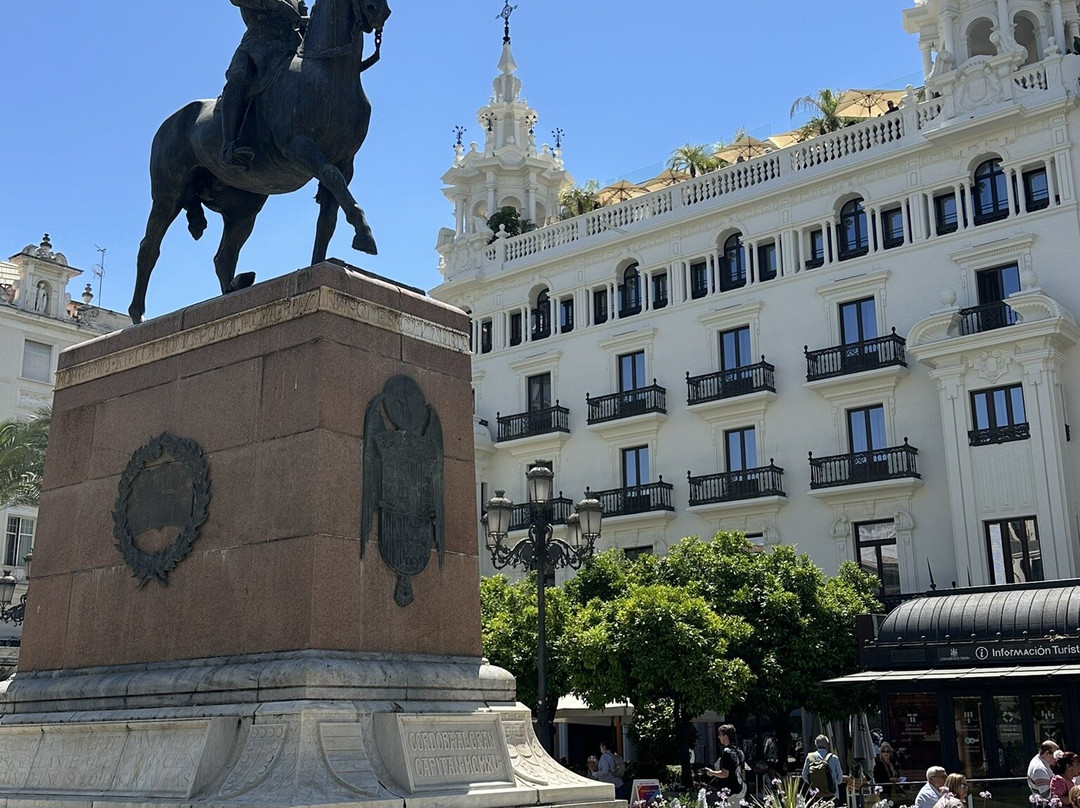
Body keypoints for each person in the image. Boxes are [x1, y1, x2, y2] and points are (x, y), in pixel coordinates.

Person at [220, 0, 309, 168]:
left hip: (291, 49)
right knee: (238, 78)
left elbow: (303, 22)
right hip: (258, 44)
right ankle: (229, 146)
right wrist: (275, 4)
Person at [704, 724, 746, 802]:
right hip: (740, 789)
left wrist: (712, 772)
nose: (718, 737)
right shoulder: (739, 751)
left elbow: (725, 774)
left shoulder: (726, 751)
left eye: (720, 735)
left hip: (728, 791)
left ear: (725, 736)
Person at [802, 734, 845, 805]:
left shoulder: (810, 758)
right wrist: (832, 783)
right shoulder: (834, 758)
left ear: (816, 745)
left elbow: (804, 775)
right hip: (831, 794)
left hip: (816, 795)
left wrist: (813, 783)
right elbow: (840, 778)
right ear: (827, 745)